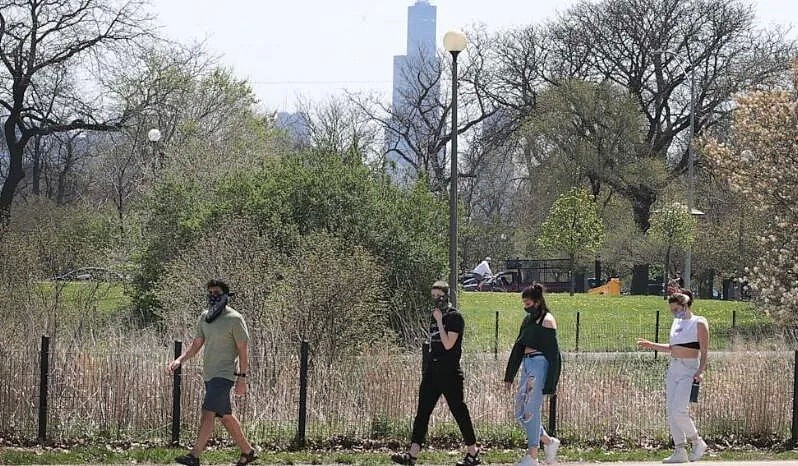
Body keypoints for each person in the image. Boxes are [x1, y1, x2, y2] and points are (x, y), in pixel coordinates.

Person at [167, 279, 258, 466]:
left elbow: (243, 350)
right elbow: (197, 344)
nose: (212, 296)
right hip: (209, 374)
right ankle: (247, 451)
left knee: (208, 412)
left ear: (225, 295)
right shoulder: (204, 317)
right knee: (225, 417)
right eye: (210, 292)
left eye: (216, 292)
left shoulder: (235, 319)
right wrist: (179, 360)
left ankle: (194, 456)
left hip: (224, 375)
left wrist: (242, 378)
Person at [391, 281, 481, 466]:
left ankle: (473, 452)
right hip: (433, 371)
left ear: (447, 295)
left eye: (439, 296)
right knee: (422, 412)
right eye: (433, 297)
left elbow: (448, 344)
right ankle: (412, 455)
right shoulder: (434, 316)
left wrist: (440, 320)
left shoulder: (454, 317)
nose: (436, 300)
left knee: (459, 412)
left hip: (450, 372)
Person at [636, 292, 709, 463]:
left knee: (679, 410)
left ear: (685, 305)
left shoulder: (699, 322)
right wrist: (651, 345)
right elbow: (672, 348)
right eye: (672, 310)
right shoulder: (676, 322)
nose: (674, 313)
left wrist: (700, 370)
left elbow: (704, 351)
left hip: (689, 369)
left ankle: (697, 442)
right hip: (674, 368)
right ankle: (679, 450)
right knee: (671, 411)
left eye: (676, 309)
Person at [503, 284, 562, 466]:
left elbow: (554, 355)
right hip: (527, 364)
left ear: (537, 302)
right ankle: (549, 442)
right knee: (521, 410)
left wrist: (551, 384)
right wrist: (509, 375)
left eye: (528, 303)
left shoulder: (547, 321)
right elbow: (518, 347)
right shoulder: (527, 321)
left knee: (531, 410)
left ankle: (533, 455)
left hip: (539, 364)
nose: (525, 306)